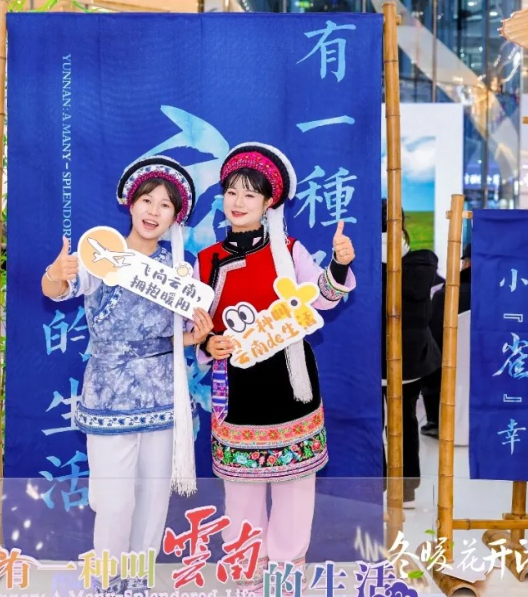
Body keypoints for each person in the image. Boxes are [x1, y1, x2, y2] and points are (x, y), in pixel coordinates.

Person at [41, 156, 211, 594]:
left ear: (176, 216)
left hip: (163, 393)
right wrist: (55, 274)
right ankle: (106, 582)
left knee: (153, 499)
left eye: (165, 205)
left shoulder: (180, 268)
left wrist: (194, 337)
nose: (154, 211)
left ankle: (138, 582)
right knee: (114, 501)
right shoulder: (101, 254)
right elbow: (57, 290)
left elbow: (171, 337)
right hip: (109, 392)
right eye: (147, 200)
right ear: (130, 204)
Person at [194, 143, 356, 589]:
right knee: (241, 495)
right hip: (237, 388)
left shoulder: (289, 250)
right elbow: (195, 325)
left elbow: (323, 297)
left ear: (269, 202)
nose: (238, 202)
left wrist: (339, 264)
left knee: (295, 489)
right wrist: (209, 341)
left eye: (250, 194)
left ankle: (286, 577)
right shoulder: (206, 260)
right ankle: (248, 578)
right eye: (231, 192)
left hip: (289, 382)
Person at [380, 200, 441, 508]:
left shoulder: (418, 262)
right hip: (383, 359)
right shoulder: (417, 264)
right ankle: (390, 484)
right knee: (386, 421)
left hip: (400, 360)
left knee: (396, 421)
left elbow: (414, 302)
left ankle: (399, 486)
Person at [421, 243, 472, 438]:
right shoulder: (495, 294)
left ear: (466, 264)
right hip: (485, 364)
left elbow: (434, 336)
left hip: (449, 365)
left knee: (431, 359)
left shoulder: (446, 294)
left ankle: (434, 420)